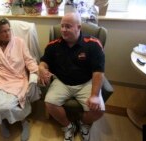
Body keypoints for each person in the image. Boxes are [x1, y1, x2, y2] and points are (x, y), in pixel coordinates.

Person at [39, 12, 105, 141]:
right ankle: (68, 126)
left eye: (68, 26)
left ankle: (83, 124)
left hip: (86, 82)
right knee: (49, 103)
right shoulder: (53, 45)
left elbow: (98, 71)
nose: (63, 29)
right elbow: (44, 61)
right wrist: (41, 68)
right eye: (62, 26)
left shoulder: (93, 44)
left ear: (79, 27)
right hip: (62, 82)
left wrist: (95, 95)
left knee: (99, 110)